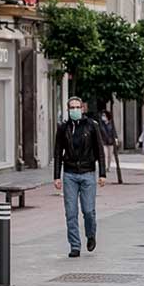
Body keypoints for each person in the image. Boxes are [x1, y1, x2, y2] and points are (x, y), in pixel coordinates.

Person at [53, 96, 107, 258]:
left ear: (82, 109)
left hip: (88, 173)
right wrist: (57, 176)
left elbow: (99, 151)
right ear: (68, 109)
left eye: (77, 107)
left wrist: (102, 173)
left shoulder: (91, 126)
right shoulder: (63, 128)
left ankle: (91, 234)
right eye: (72, 108)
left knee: (88, 210)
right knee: (71, 212)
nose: (74, 110)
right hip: (69, 174)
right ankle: (75, 245)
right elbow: (57, 153)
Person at [98, 109, 117, 174]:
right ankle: (105, 167)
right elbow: (99, 132)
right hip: (103, 141)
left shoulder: (111, 123)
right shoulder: (101, 124)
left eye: (104, 115)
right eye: (102, 115)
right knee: (105, 154)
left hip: (111, 141)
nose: (103, 117)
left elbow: (114, 131)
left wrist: (115, 138)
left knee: (110, 155)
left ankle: (108, 167)